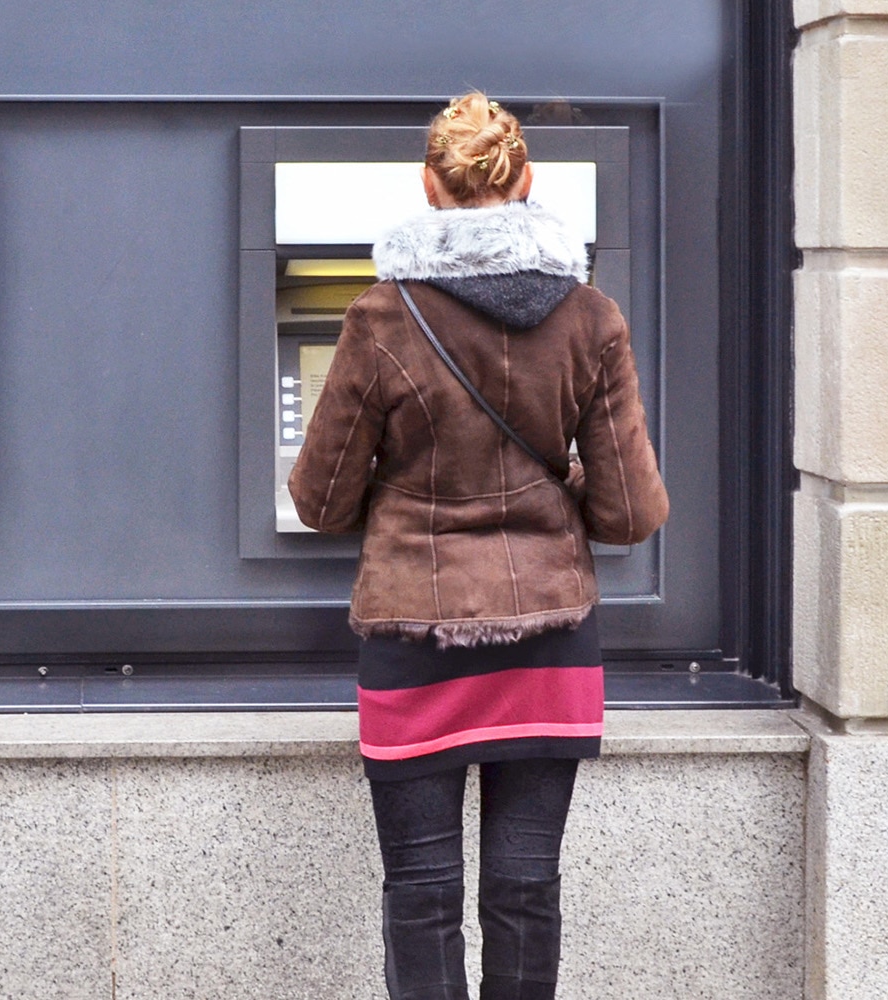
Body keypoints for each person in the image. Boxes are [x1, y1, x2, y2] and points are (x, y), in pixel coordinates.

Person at [287, 92, 669, 1000]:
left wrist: (405, 482)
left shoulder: (380, 319)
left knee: (421, 890)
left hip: (416, 636)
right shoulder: (592, 319)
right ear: (527, 181)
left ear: (429, 187)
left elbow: (320, 500)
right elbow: (627, 514)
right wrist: (561, 485)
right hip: (548, 637)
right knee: (526, 888)